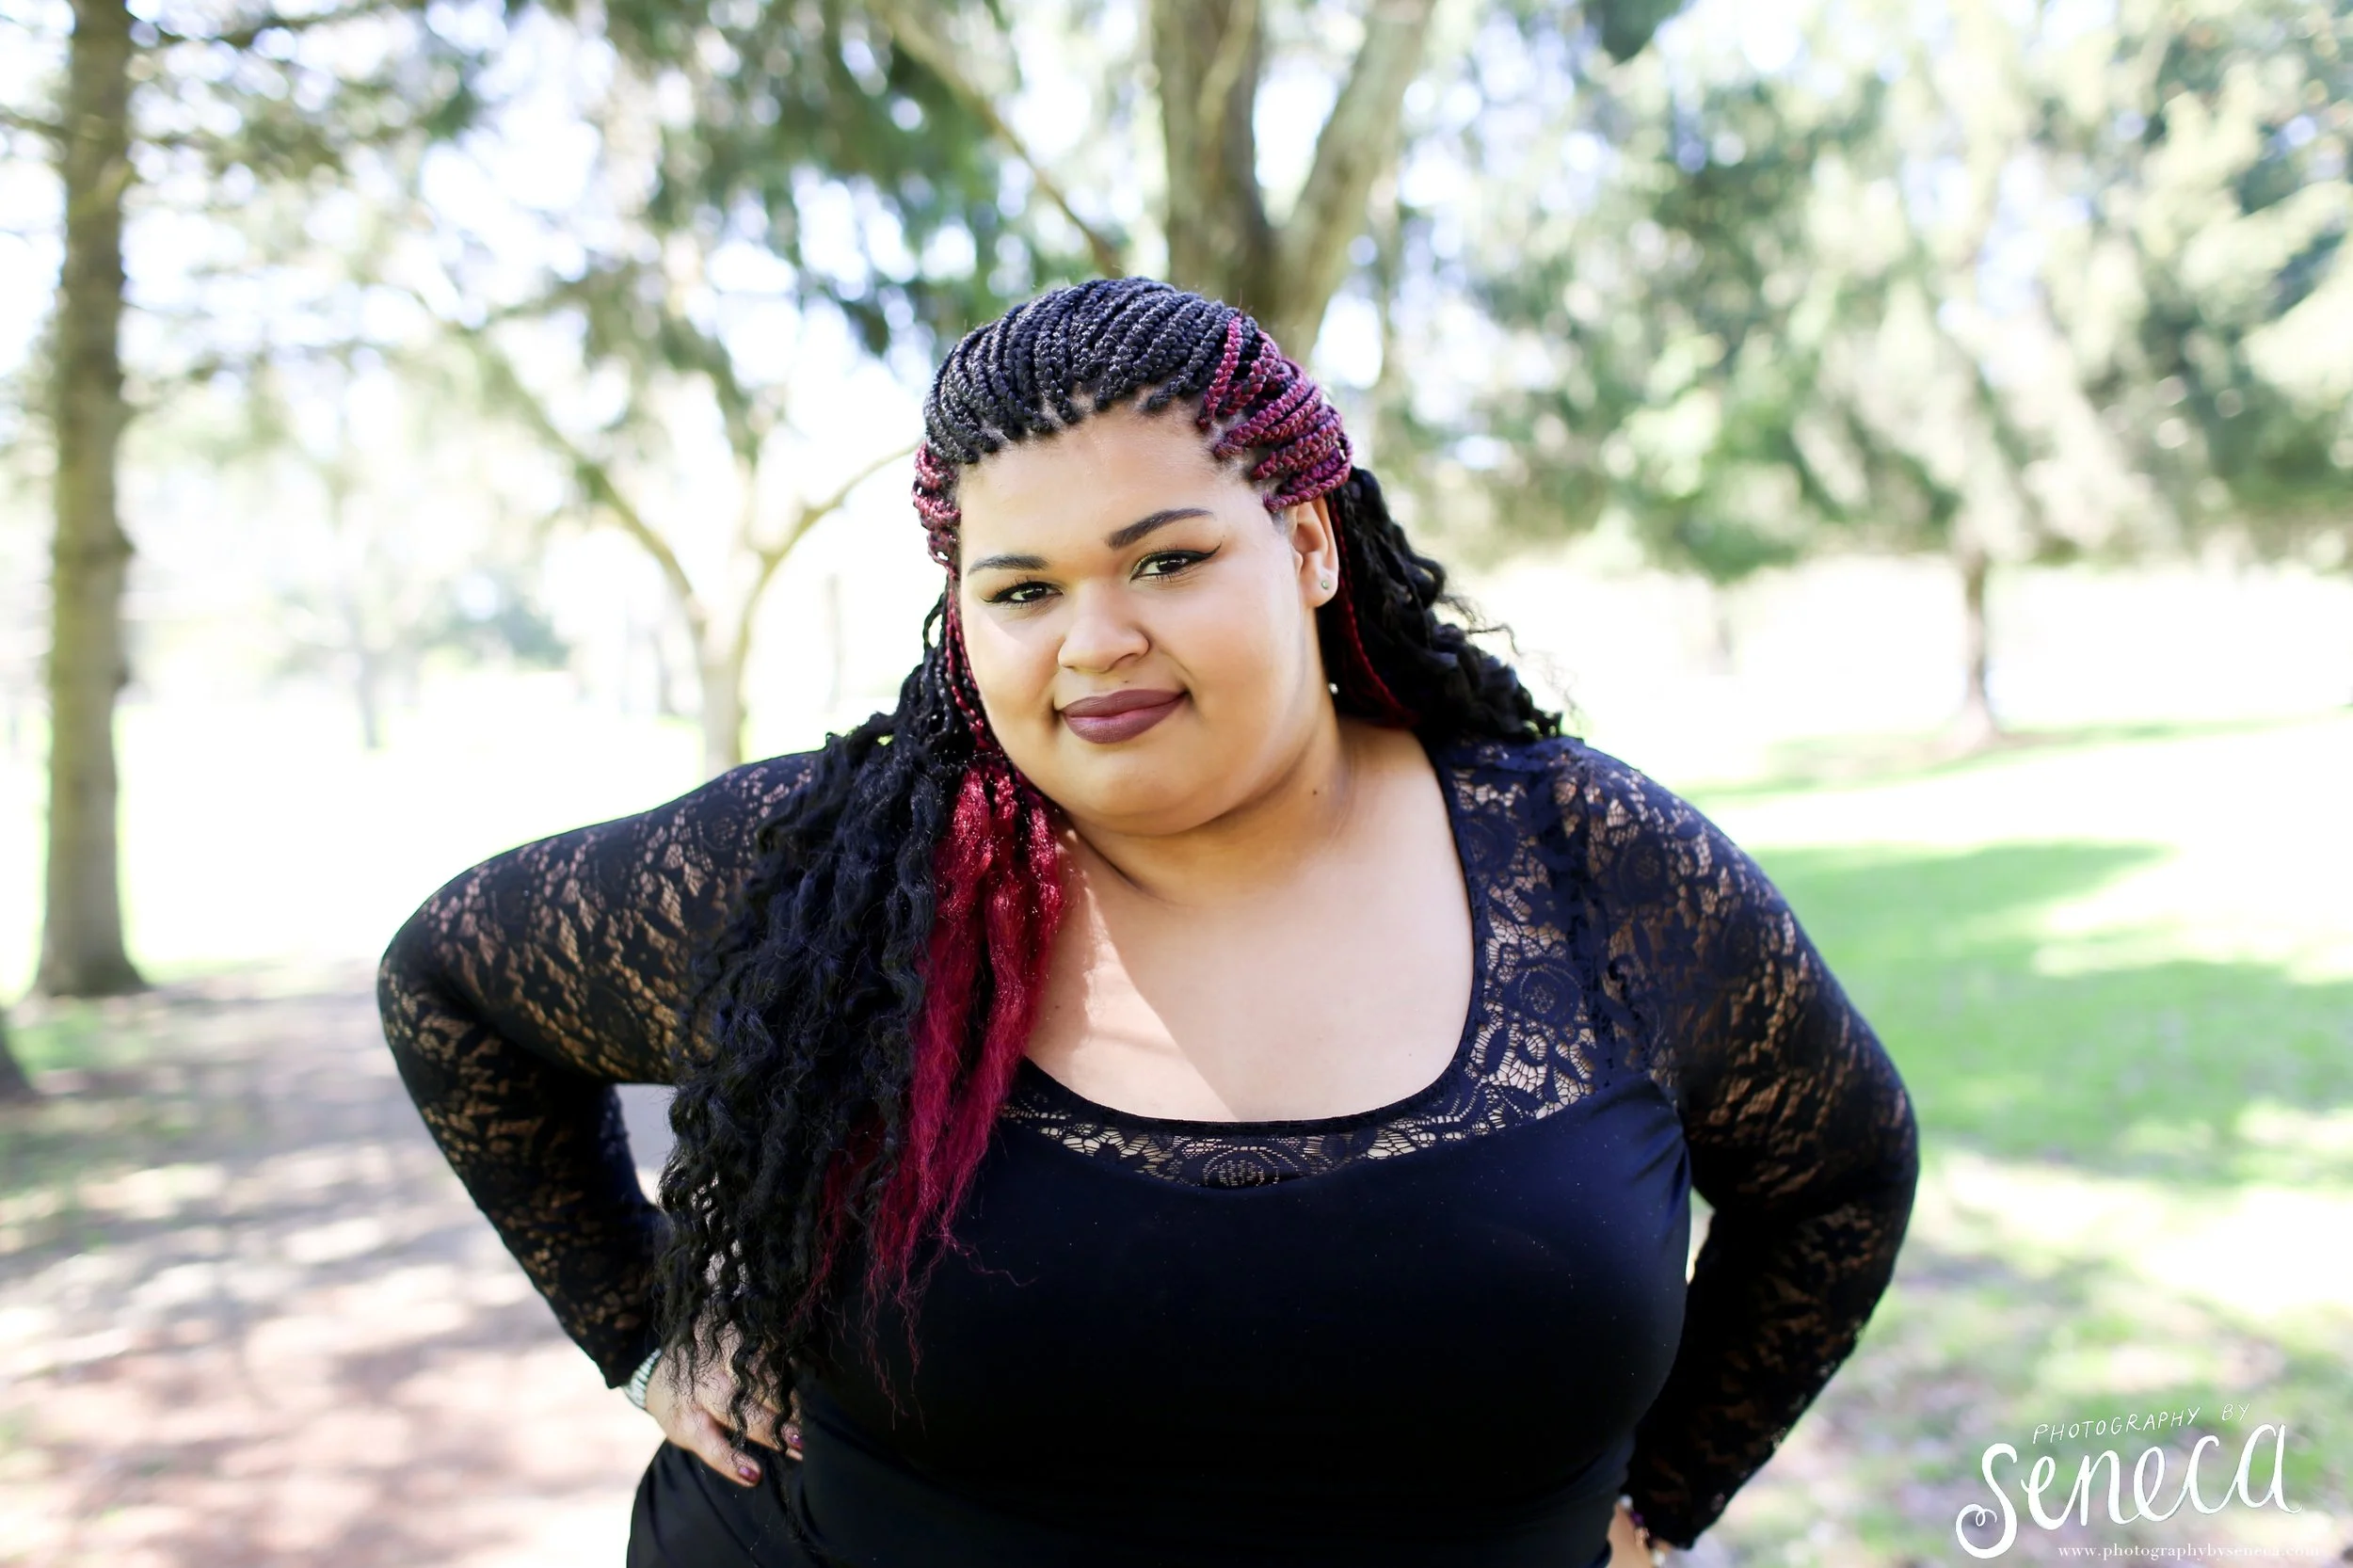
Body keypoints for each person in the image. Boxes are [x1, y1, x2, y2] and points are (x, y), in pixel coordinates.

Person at [378, 278, 1920, 1568]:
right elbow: (449, 987)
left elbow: (1840, 1173)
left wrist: (1665, 1498)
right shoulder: (825, 870)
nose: (1095, 641)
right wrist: (644, 1329)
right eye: (1022, 591)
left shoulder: (1591, 866)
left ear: (1308, 545)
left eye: (1167, 560)